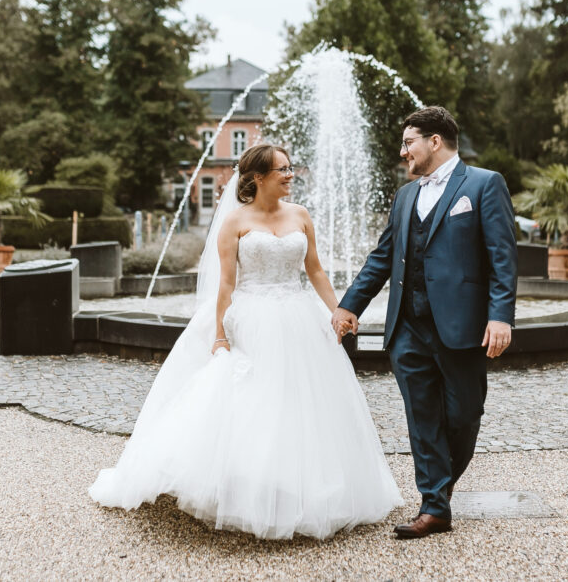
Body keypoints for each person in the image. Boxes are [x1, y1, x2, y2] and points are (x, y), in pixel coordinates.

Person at [89, 144, 402, 539]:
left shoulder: (301, 215)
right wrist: (220, 335)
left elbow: (317, 271)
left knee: (301, 401)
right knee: (253, 400)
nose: (290, 175)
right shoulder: (235, 222)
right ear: (257, 177)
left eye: (290, 169)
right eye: (282, 170)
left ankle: (298, 486)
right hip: (252, 317)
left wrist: (340, 310)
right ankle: (247, 486)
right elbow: (226, 283)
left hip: (297, 316)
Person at [331, 106, 518, 540]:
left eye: (408, 142)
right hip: (407, 330)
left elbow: (502, 259)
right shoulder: (405, 196)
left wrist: (500, 316)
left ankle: (439, 491)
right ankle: (434, 507)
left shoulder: (484, 185)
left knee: (464, 414)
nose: (403, 152)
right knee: (422, 418)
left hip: (462, 328)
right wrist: (349, 306)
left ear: (435, 141)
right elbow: (381, 259)